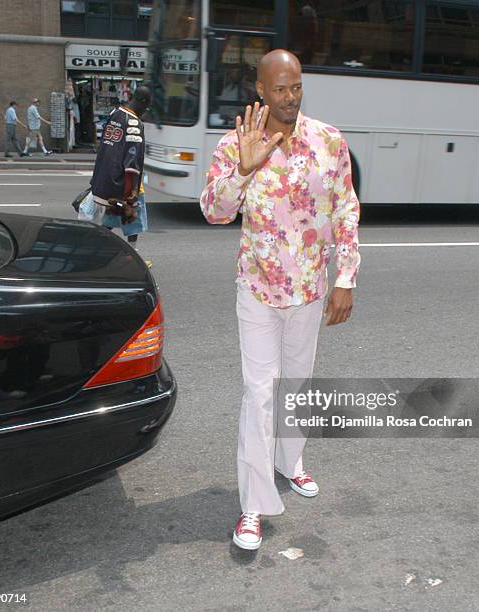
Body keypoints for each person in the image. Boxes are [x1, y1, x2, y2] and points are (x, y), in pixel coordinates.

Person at [200, 50, 361, 550]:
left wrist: (346, 278)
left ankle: (289, 462)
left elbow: (344, 210)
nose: (289, 97)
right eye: (279, 89)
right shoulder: (237, 144)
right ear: (261, 90)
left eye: (296, 87)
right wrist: (242, 172)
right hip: (258, 291)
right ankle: (253, 506)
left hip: (310, 290)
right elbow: (213, 211)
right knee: (260, 393)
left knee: (297, 385)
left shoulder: (328, 141)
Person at [90, 85, 151, 250]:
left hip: (106, 180)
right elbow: (132, 163)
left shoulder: (114, 113)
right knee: (133, 218)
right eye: (147, 106)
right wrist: (132, 195)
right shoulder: (135, 123)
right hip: (123, 184)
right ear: (142, 102)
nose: (146, 110)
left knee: (110, 216)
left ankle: (99, 247)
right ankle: (133, 252)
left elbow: (104, 146)